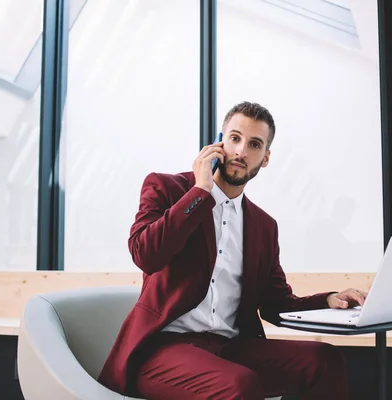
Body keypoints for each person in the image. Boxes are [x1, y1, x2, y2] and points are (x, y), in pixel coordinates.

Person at [98, 101, 368, 400]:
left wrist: (329, 299)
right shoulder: (167, 188)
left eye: (254, 144)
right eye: (235, 139)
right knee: (239, 385)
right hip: (163, 349)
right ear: (219, 143)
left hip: (230, 347)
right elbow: (145, 254)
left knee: (324, 361)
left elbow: (275, 304)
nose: (241, 151)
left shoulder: (263, 226)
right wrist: (199, 192)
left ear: (264, 159)